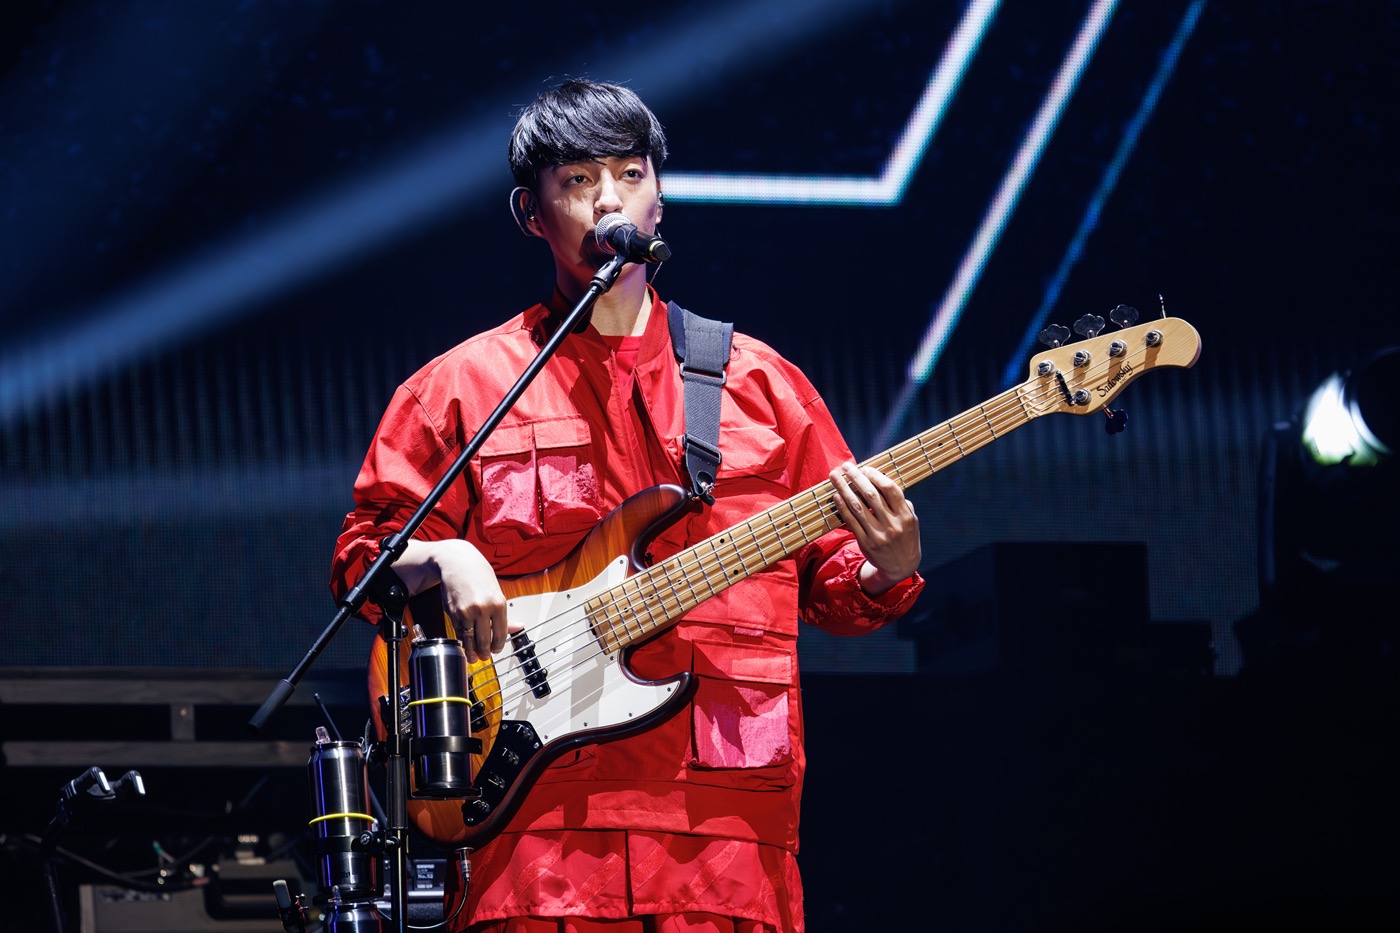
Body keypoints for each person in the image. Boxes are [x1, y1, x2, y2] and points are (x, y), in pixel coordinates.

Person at [330, 78, 925, 933]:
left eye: (631, 173)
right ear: (531, 212)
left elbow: (836, 586)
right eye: (578, 180)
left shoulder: (762, 385)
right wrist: (445, 557)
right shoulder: (463, 388)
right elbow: (363, 563)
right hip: (538, 843)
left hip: (728, 840)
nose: (610, 198)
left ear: (659, 196)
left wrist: (885, 565)